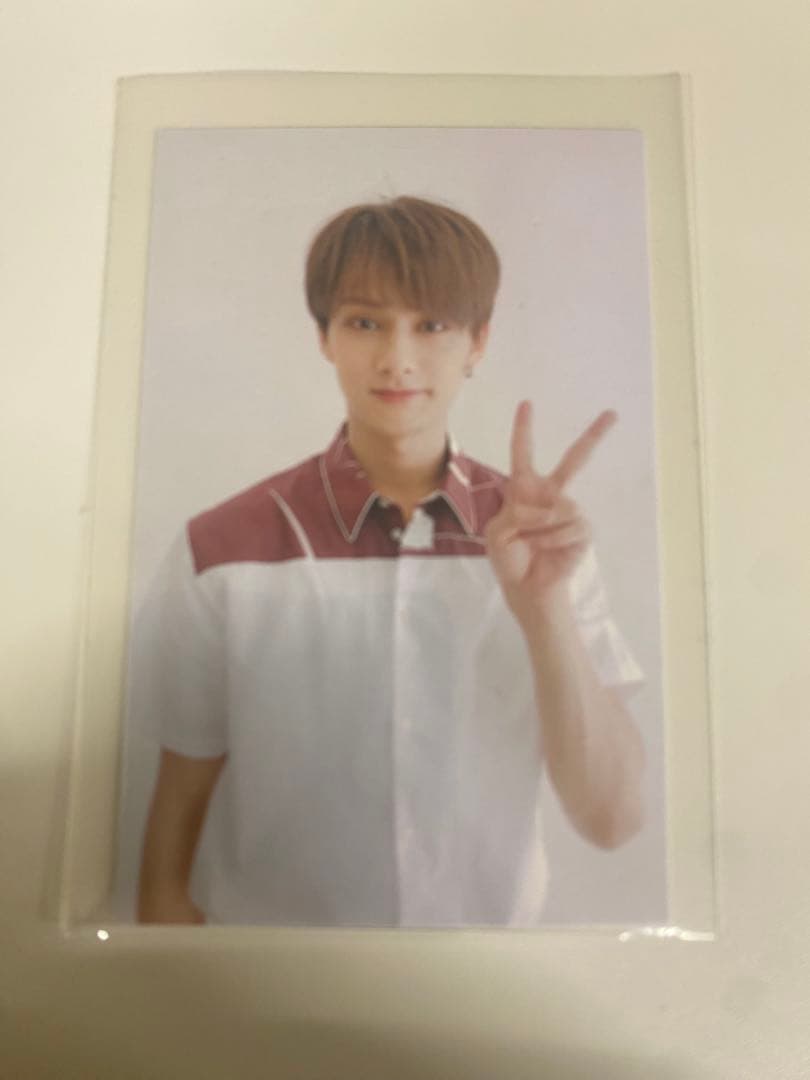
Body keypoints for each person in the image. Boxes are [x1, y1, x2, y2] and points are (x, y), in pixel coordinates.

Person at [134, 195, 645, 927]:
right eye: (365, 322)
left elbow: (613, 819)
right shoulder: (222, 547)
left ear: (478, 341)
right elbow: (180, 788)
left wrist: (543, 608)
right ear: (325, 336)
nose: (398, 359)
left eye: (432, 325)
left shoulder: (541, 542)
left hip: (486, 970)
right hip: (269, 970)